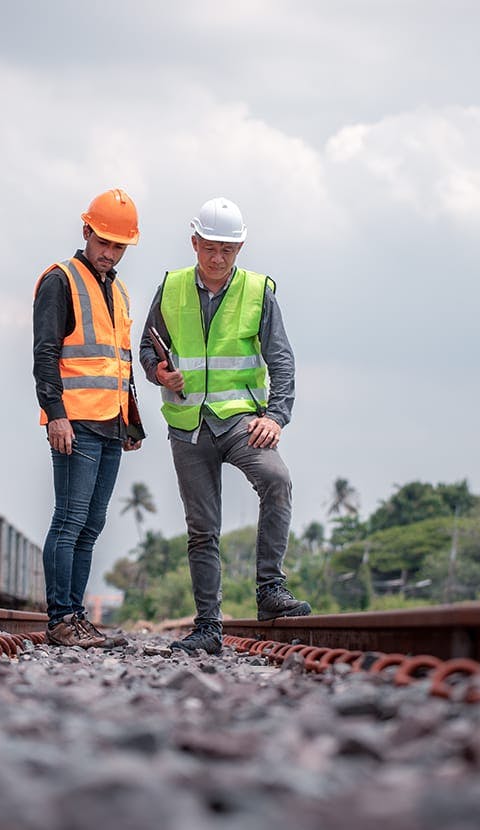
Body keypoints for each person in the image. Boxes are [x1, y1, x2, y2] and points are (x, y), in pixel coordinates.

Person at [140, 196, 310, 655]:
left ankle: (270, 590)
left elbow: (282, 360)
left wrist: (275, 417)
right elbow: (148, 349)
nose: (217, 259)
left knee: (276, 480)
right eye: (210, 248)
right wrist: (159, 371)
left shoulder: (258, 292)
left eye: (227, 251)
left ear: (240, 248)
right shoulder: (172, 287)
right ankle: (208, 628)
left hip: (239, 420)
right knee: (202, 527)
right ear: (194, 242)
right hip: (189, 424)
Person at [33, 188, 145, 648]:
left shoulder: (117, 290)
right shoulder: (61, 280)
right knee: (69, 520)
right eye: (104, 242)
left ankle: (76, 615)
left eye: (119, 246)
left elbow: (119, 363)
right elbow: (45, 355)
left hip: (110, 426)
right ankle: (61, 618)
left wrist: (130, 422)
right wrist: (55, 414)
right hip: (75, 425)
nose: (110, 252)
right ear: (86, 232)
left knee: (91, 524)